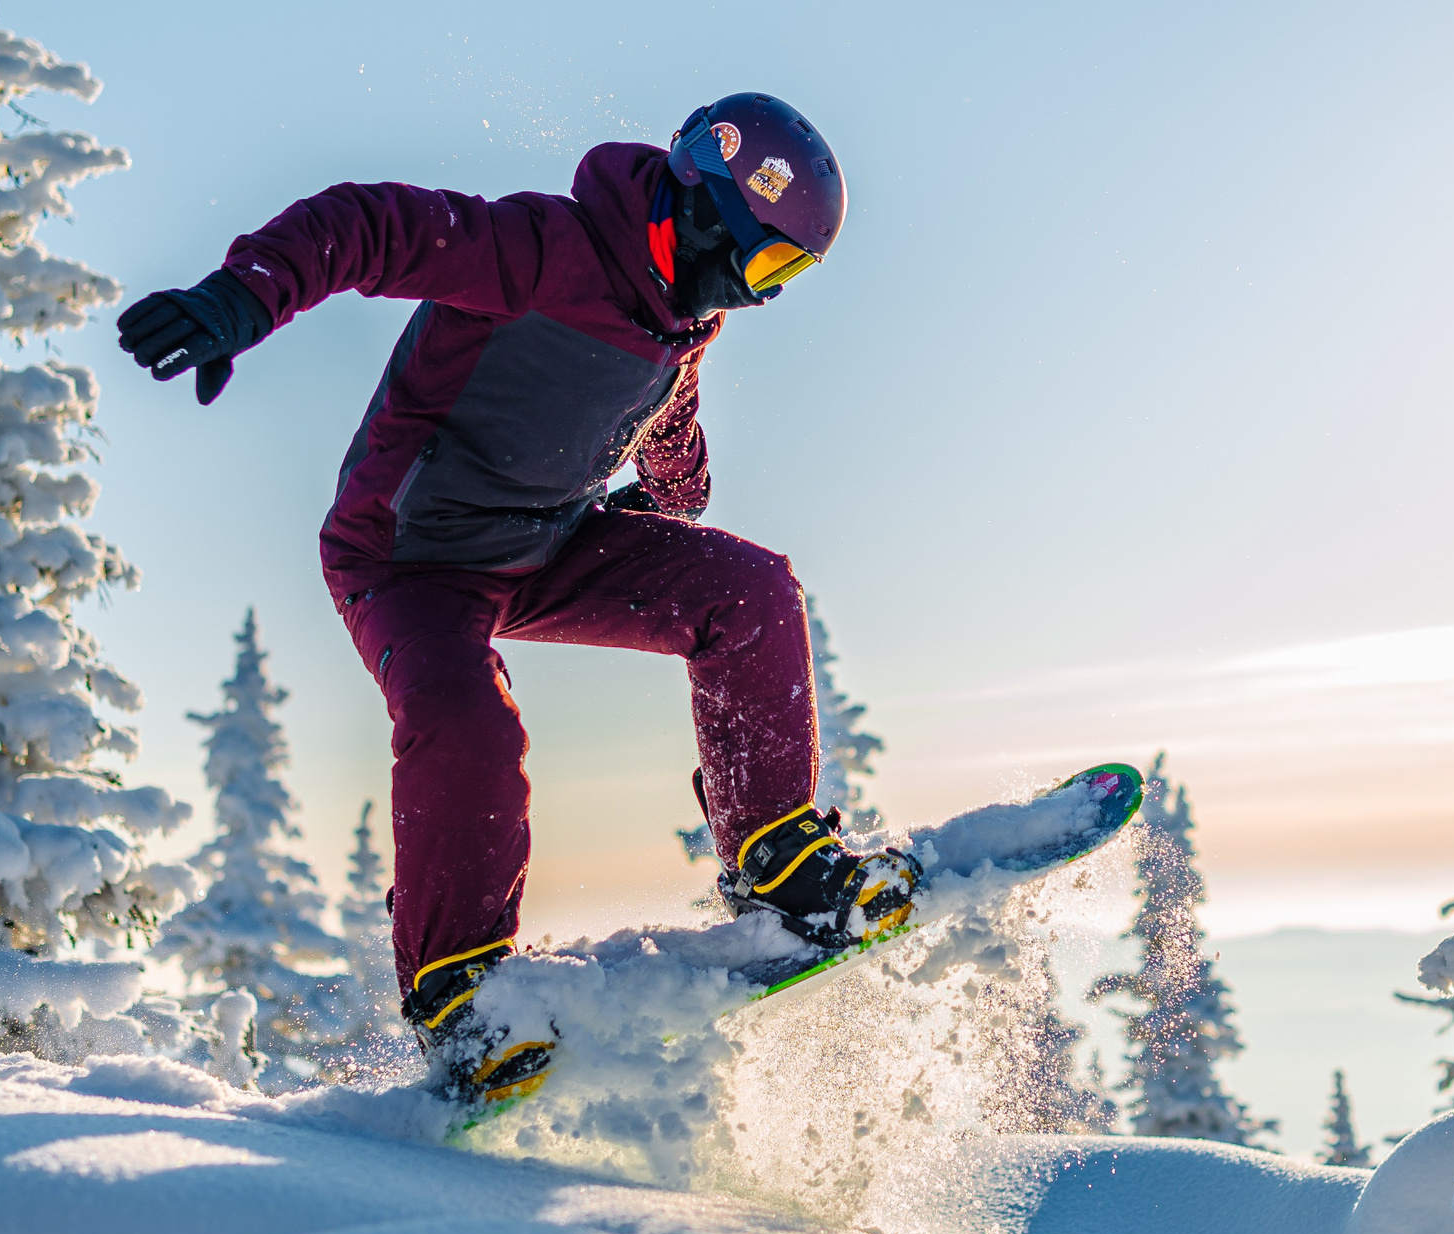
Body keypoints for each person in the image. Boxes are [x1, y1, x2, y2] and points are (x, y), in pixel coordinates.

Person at [114, 94, 918, 1106]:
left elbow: (666, 411)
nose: (763, 297)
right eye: (768, 266)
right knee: (467, 722)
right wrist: (244, 296)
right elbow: (368, 226)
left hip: (547, 543)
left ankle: (777, 855)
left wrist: (677, 491)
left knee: (749, 588)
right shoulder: (539, 248)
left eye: (789, 278)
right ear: (707, 208)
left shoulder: (684, 316)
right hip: (410, 560)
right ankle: (460, 992)